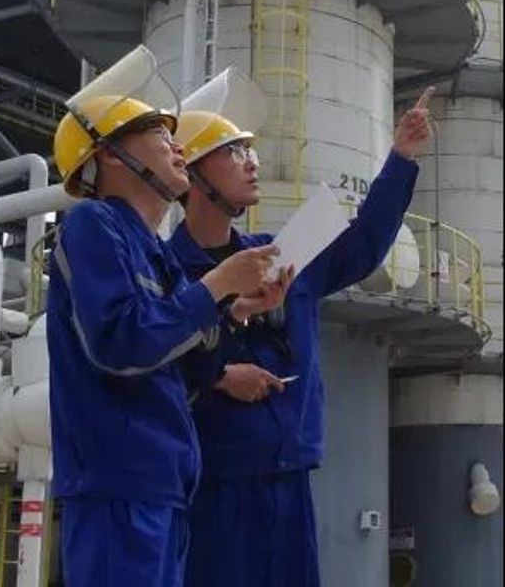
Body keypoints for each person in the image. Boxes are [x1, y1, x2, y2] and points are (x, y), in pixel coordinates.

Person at [169, 73, 435, 587]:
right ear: (193, 175)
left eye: (250, 150)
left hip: (290, 475)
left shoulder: (279, 253)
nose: (252, 163)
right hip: (214, 486)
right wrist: (216, 375)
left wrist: (400, 157)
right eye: (234, 152)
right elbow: (144, 356)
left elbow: (362, 245)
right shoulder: (170, 272)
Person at [46, 47, 279, 587]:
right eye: (157, 131)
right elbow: (121, 345)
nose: (178, 146)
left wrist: (235, 311)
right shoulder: (93, 225)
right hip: (118, 487)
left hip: (163, 486)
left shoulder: (156, 252)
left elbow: (190, 373)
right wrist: (217, 284)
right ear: (109, 155)